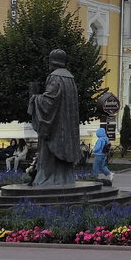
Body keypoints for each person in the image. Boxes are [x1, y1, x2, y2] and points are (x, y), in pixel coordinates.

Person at [27, 49, 83, 187]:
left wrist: (34, 97)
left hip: (56, 128)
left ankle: (49, 179)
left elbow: (48, 102)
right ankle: (65, 178)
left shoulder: (55, 77)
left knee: (49, 156)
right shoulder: (70, 78)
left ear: (53, 62)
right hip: (67, 127)